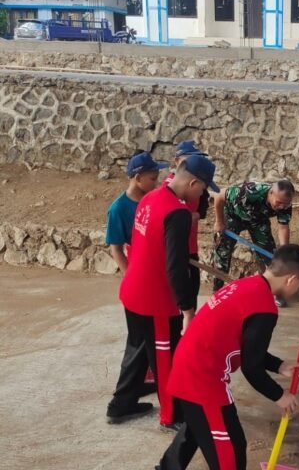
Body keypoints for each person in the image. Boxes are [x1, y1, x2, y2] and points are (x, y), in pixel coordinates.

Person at [155, 244, 299, 470]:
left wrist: (279, 366)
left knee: (198, 427)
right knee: (230, 450)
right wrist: (279, 395)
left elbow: (247, 347)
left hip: (186, 364)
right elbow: (251, 367)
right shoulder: (265, 308)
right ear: (292, 279)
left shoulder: (246, 284)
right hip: (203, 379)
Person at [107, 155, 219, 430]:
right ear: (193, 182)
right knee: (166, 357)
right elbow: (175, 267)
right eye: (202, 189)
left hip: (132, 290)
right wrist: (187, 310)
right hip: (154, 300)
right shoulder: (177, 213)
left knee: (139, 349)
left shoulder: (151, 197)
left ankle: (121, 405)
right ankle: (173, 416)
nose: (202, 194)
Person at [105, 151, 169, 422]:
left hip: (152, 281)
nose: (156, 182)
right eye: (153, 178)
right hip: (139, 283)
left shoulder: (152, 199)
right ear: (137, 177)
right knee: (142, 343)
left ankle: (132, 392)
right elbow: (115, 248)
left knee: (142, 342)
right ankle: (120, 404)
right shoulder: (119, 208)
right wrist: (131, 275)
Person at [211, 180, 295, 307]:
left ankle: (275, 291)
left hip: (258, 221)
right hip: (233, 216)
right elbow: (219, 195)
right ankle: (217, 291)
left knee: (271, 256)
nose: (282, 207)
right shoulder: (248, 191)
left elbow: (283, 227)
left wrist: (283, 250)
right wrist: (219, 221)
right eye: (279, 203)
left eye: (285, 204)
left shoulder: (285, 203)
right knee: (222, 252)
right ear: (271, 193)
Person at [164, 140, 211, 306]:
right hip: (175, 249)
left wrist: (195, 215)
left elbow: (204, 206)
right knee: (179, 296)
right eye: (188, 158)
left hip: (191, 246)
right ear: (177, 161)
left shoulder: (198, 185)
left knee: (192, 291)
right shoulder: (166, 189)